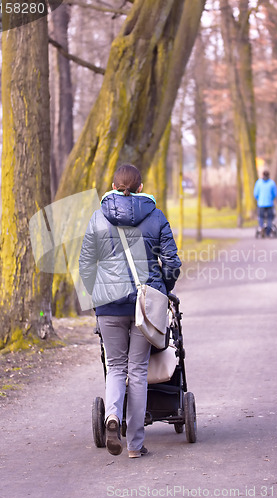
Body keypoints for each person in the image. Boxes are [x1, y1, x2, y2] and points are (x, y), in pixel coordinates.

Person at [79, 164, 181, 458]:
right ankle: (135, 446)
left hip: (108, 304)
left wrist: (96, 292)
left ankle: (113, 417)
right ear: (140, 187)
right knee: (137, 371)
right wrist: (163, 288)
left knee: (115, 367)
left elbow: (86, 264)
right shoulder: (156, 216)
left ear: (113, 186)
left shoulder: (98, 218)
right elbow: (172, 263)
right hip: (145, 303)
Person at [254, 169, 277, 236]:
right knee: (270, 217)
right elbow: (275, 194)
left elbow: (255, 194)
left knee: (261, 217)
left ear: (262, 175)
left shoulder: (258, 183)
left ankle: (261, 228)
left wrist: (259, 199)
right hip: (269, 203)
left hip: (261, 203)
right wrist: (271, 198)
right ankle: (268, 231)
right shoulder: (272, 183)